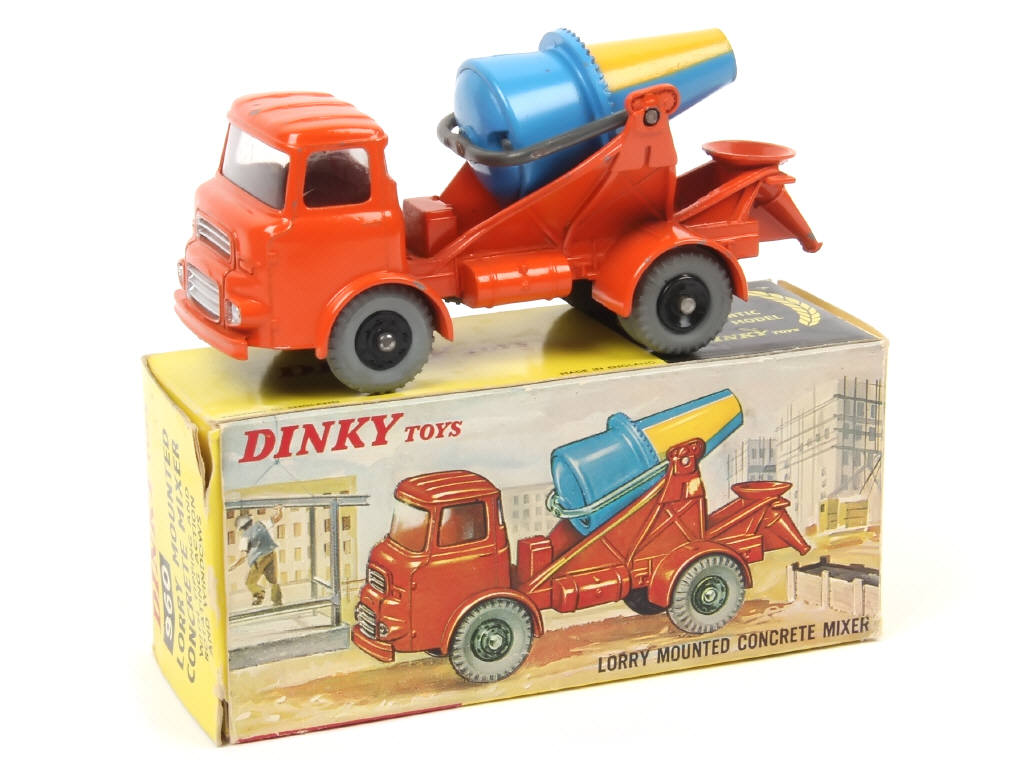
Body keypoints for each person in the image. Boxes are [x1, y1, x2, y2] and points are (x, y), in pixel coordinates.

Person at [229, 507, 284, 606]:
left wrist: (234, 566)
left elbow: (243, 557)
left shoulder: (245, 537)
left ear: (242, 528)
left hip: (259, 559)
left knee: (250, 582)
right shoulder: (262, 524)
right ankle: (277, 601)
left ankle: (260, 594)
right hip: (272, 553)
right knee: (274, 581)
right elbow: (278, 518)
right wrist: (280, 510)